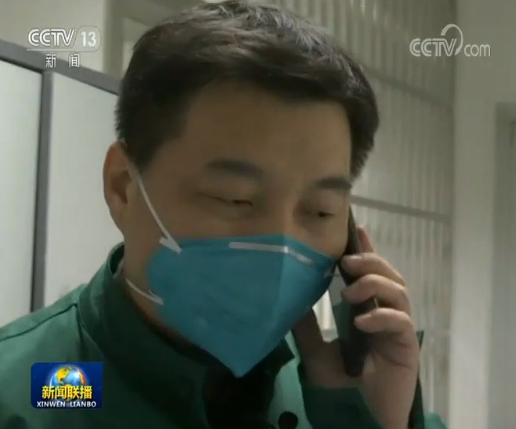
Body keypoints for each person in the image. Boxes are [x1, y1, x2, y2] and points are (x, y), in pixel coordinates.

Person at [0, 2, 448, 428]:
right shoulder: (22, 393)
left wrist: (374, 421)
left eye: (320, 211)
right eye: (235, 199)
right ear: (123, 187)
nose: (281, 245)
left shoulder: (340, 386)